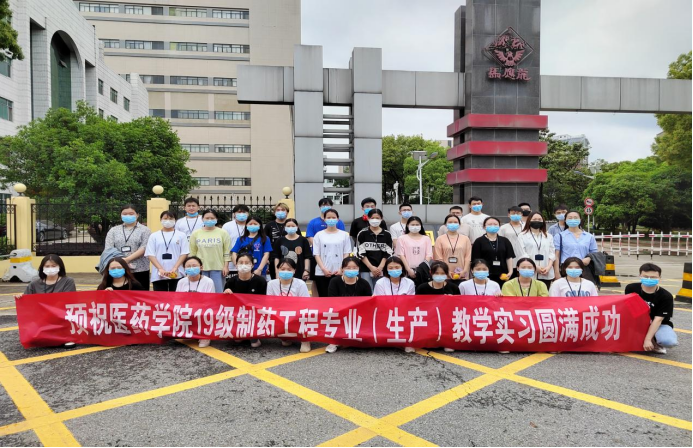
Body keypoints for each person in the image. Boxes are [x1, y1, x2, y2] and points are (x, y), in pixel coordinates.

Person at [15, 255, 77, 348]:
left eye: (53, 266)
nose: (50, 269)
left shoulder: (68, 281)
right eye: (47, 266)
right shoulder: (34, 284)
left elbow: (69, 300)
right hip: (41, 318)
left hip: (61, 317)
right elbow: (27, 302)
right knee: (32, 339)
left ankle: (65, 337)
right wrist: (21, 297)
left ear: (60, 267)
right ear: (42, 268)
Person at [625, 263, 678, 354]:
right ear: (640, 275)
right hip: (637, 322)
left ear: (659, 278)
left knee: (669, 341)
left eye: (653, 277)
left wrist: (648, 339)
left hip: (658, 324)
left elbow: (658, 320)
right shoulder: (631, 288)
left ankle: (655, 341)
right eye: (645, 276)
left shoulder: (666, 296)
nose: (649, 279)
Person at [326, 257, 373, 354]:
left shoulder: (364, 283)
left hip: (358, 315)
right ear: (342, 269)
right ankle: (334, 342)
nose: (351, 270)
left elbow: (368, 303)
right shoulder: (335, 282)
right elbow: (331, 301)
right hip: (340, 313)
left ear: (359, 269)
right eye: (348, 268)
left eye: (354, 268)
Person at [267, 258, 312, 353]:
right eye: (282, 269)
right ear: (277, 270)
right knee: (285, 341)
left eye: (289, 269)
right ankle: (286, 336)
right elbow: (269, 303)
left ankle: (305, 340)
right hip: (280, 314)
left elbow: (306, 304)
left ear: (294, 271)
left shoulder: (300, 284)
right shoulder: (271, 284)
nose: (285, 271)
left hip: (297, 313)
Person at [224, 253, 267, 348]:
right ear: (236, 265)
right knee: (237, 340)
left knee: (254, 344)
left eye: (247, 263)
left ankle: (254, 335)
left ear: (252, 265)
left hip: (254, 316)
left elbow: (264, 303)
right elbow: (225, 305)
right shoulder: (231, 282)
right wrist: (226, 294)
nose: (244, 265)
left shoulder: (260, 281)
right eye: (241, 262)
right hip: (238, 315)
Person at [104, 204, 152, 290]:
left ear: (137, 215)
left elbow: (144, 247)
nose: (128, 216)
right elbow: (109, 248)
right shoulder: (113, 230)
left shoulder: (145, 230)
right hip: (118, 270)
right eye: (125, 214)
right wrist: (120, 262)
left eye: (131, 213)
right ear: (121, 215)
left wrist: (127, 260)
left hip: (140, 269)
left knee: (140, 294)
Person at [306, 198, 346, 296]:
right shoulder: (313, 223)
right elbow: (310, 237)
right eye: (323, 205)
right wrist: (321, 245)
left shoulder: (341, 226)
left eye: (327, 205)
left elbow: (345, 247)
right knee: (317, 283)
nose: (325, 207)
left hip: (337, 263)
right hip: (319, 258)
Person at [176, 256, 216, 348]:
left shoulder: (208, 282)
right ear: (184, 269)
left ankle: (204, 336)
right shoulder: (181, 282)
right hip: (186, 310)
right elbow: (177, 300)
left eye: (194, 266)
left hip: (202, 311)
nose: (191, 268)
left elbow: (210, 301)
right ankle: (188, 331)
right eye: (188, 266)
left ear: (201, 267)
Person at [145, 210, 189, 292]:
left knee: (176, 296)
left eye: (171, 218)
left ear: (175, 220)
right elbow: (150, 254)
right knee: (160, 297)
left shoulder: (181, 235)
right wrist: (160, 268)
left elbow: (184, 253)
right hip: (159, 273)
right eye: (165, 218)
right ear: (160, 220)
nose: (168, 221)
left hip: (177, 272)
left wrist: (175, 267)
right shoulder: (154, 236)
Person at [189, 209, 231, 293]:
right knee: (202, 292)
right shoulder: (196, 233)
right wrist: (193, 267)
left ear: (216, 219)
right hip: (201, 269)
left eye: (212, 218)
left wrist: (226, 266)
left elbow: (227, 251)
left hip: (218, 268)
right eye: (207, 218)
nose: (209, 220)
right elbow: (192, 252)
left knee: (218, 292)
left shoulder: (223, 233)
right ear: (202, 219)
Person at [313, 209, 352, 297]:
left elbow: (346, 253)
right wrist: (323, 269)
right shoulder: (318, 235)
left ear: (338, 219)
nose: (331, 219)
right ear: (324, 219)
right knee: (324, 297)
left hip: (339, 272)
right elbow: (316, 254)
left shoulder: (344, 235)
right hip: (322, 272)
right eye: (328, 217)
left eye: (333, 217)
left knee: (339, 297)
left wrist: (341, 268)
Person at [553, 211, 598, 280]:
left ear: (580, 220)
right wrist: (556, 272)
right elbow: (556, 255)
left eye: (575, 218)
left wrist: (589, 258)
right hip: (566, 269)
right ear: (565, 220)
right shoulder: (559, 236)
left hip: (584, 269)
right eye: (570, 218)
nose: (573, 220)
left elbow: (594, 253)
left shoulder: (589, 236)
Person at [471, 217, 515, 286]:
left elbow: (509, 257)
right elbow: (475, 260)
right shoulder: (479, 241)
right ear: (484, 226)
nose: (492, 226)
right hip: (485, 274)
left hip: (503, 274)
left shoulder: (505, 240)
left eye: (495, 224)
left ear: (499, 226)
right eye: (490, 224)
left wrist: (510, 271)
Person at [356, 209, 394, 288]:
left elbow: (389, 252)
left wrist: (380, 267)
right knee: (368, 290)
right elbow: (360, 253)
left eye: (377, 218)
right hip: (366, 269)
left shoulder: (387, 234)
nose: (375, 220)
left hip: (382, 269)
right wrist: (371, 267)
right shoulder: (362, 233)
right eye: (372, 218)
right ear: (368, 218)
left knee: (381, 291)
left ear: (381, 219)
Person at [519, 212, 556, 288]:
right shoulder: (522, 236)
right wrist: (535, 267)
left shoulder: (548, 236)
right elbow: (523, 253)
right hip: (529, 271)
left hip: (546, 271)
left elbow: (552, 253)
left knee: (544, 293)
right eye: (534, 219)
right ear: (529, 220)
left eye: (539, 219)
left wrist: (548, 267)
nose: (537, 221)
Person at [265, 203, 301, 279]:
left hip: (291, 257)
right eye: (278, 210)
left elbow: (299, 240)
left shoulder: (292, 225)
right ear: (274, 212)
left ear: (287, 212)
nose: (280, 211)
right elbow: (264, 241)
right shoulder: (269, 225)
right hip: (273, 258)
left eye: (283, 210)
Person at [434, 214, 472, 283]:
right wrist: (446, 271)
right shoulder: (440, 239)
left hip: (462, 273)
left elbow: (468, 257)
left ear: (459, 224)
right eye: (450, 222)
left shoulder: (465, 239)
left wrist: (465, 270)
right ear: (445, 224)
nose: (453, 224)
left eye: (455, 222)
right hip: (445, 274)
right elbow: (438, 258)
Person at [395, 216, 433, 282]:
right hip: (406, 271)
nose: (415, 226)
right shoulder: (402, 238)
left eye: (417, 225)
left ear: (421, 226)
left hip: (423, 271)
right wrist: (408, 269)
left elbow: (429, 255)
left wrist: (420, 268)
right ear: (407, 225)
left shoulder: (426, 238)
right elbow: (401, 255)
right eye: (412, 225)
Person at [222, 204, 250, 276]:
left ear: (248, 214)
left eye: (244, 212)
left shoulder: (251, 225)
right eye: (239, 212)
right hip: (231, 262)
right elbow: (224, 244)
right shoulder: (227, 226)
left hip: (248, 260)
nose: (241, 214)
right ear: (234, 214)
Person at [499, 206, 526, 276]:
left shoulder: (526, 227)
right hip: (510, 257)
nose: (516, 215)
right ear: (509, 215)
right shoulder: (503, 228)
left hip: (524, 255)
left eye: (518, 213)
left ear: (522, 215)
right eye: (513, 213)